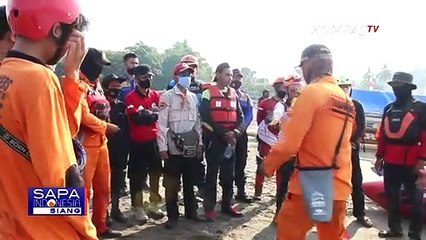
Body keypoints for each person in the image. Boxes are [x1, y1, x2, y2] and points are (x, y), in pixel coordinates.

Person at [0, 0, 98, 239]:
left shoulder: (6, 72)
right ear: (57, 30)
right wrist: (86, 230)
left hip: (9, 221)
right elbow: (60, 177)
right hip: (39, 229)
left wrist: (71, 75)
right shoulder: (40, 78)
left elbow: (62, 130)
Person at [263, 44, 356, 240]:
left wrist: (268, 165)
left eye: (301, 68)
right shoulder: (346, 100)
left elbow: (290, 144)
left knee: (289, 234)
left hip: (309, 186)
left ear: (308, 64)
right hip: (339, 186)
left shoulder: (312, 92)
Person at [374, 72, 426, 240]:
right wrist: (379, 156)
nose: (397, 89)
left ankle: (415, 235)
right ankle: (394, 229)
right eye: (394, 86)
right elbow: (382, 134)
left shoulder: (421, 108)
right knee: (391, 197)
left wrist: (422, 159)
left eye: (400, 86)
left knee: (416, 200)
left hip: (412, 162)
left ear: (409, 88)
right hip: (390, 161)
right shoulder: (388, 108)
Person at [78, 48, 122, 238]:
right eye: (99, 66)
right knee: (82, 190)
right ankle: (80, 229)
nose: (100, 70)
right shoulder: (76, 84)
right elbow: (83, 116)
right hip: (85, 144)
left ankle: (100, 226)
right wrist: (106, 126)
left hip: (101, 143)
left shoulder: (97, 85)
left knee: (104, 187)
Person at [158, 63, 203, 229]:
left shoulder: (193, 97)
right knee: (172, 184)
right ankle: (172, 216)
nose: (187, 77)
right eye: (184, 74)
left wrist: (200, 142)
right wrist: (162, 148)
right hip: (173, 146)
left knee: (190, 182)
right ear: (176, 76)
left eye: (189, 74)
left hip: (190, 146)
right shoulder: (167, 97)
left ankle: (191, 212)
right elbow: (162, 124)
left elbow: (197, 122)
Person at [200, 62, 245, 222]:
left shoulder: (234, 93)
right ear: (218, 74)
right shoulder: (208, 92)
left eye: (231, 75)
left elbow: (240, 116)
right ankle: (209, 208)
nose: (230, 78)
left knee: (228, 175)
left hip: (230, 140)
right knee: (211, 174)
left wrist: (235, 133)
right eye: (227, 74)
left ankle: (227, 204)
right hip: (214, 139)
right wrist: (223, 133)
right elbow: (205, 116)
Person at [125, 64, 164, 224]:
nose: (148, 79)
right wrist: (150, 115)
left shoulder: (156, 95)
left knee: (156, 173)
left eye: (150, 76)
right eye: (144, 77)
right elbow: (136, 119)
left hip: (154, 141)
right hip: (137, 142)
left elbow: (160, 115)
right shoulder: (130, 97)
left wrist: (149, 115)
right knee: (137, 176)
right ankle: (138, 206)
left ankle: (153, 203)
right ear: (136, 78)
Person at [167, 54, 206, 199]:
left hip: (196, 127)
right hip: (177, 129)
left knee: (197, 161)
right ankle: (176, 193)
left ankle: (196, 191)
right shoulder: (172, 85)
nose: (191, 70)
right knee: (176, 164)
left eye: (193, 67)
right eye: (187, 66)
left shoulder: (203, 86)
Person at [337, 76, 373, 228]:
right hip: (333, 150)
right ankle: (331, 216)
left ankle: (360, 213)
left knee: (356, 181)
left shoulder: (356, 105)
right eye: (341, 86)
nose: (344, 89)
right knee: (332, 182)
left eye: (346, 86)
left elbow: (361, 127)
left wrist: (352, 142)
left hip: (351, 149)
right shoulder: (332, 105)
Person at [269, 74, 305, 222]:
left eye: (298, 88)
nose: (296, 92)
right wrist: (276, 120)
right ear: (287, 90)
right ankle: (278, 212)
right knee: (283, 184)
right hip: (286, 151)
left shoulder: (305, 107)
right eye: (292, 89)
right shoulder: (282, 106)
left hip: (302, 151)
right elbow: (277, 114)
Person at [101, 73, 130, 224]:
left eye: (118, 87)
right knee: (102, 183)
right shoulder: (99, 104)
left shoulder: (121, 105)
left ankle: (116, 210)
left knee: (117, 181)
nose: (116, 90)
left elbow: (126, 127)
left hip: (119, 149)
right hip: (102, 148)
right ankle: (103, 213)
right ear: (105, 87)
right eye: (113, 87)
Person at [253, 77, 287, 201]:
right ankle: (258, 190)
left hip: (281, 139)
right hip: (267, 138)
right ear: (276, 87)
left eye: (285, 86)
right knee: (263, 163)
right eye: (281, 86)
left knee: (281, 168)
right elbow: (259, 120)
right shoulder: (265, 103)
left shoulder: (288, 104)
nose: (283, 88)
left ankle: (280, 192)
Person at [230, 68, 254, 203]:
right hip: (226, 134)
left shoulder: (245, 97)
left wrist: (241, 129)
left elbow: (250, 114)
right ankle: (226, 194)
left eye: (239, 79)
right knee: (226, 164)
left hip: (240, 135)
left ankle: (240, 191)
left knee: (241, 163)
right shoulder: (224, 94)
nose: (237, 81)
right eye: (235, 78)